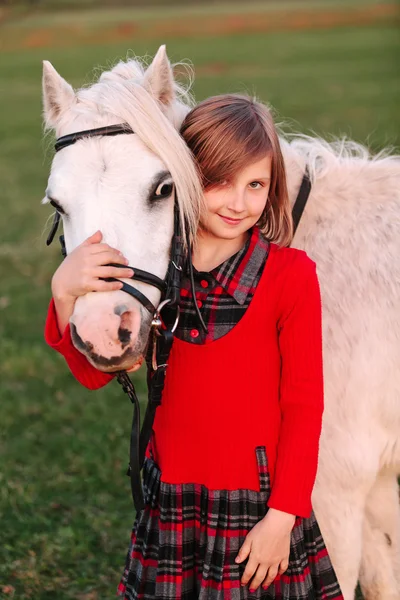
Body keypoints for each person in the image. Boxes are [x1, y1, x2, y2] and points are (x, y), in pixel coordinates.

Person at [45, 94, 344, 599]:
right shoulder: (161, 282)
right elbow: (97, 373)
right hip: (174, 502)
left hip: (257, 510)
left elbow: (304, 405)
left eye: (256, 185)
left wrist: (282, 517)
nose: (237, 202)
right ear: (184, 178)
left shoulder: (291, 277)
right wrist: (63, 293)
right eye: (218, 181)